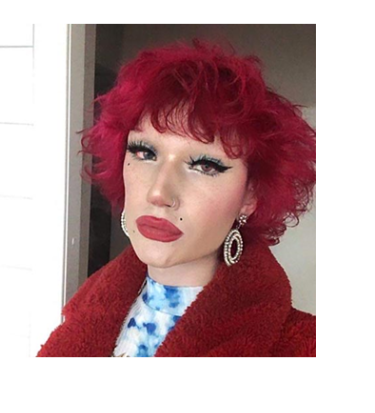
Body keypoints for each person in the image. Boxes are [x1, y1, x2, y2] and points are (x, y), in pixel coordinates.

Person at [36, 38, 316, 358]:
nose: (159, 193)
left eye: (205, 165)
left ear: (250, 195)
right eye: (145, 153)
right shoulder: (84, 314)